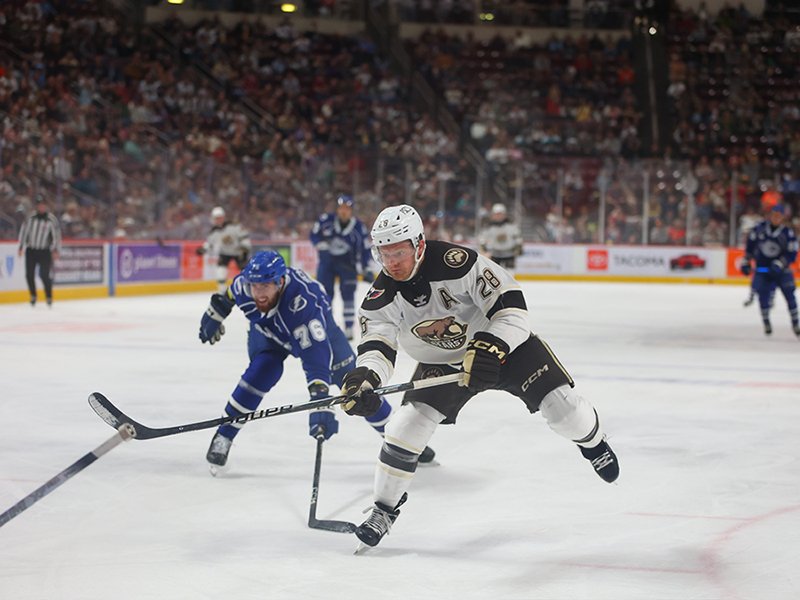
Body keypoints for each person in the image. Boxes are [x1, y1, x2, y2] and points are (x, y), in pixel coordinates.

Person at [339, 204, 619, 548]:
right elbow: (377, 345)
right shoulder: (381, 295)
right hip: (442, 363)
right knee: (403, 429)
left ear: (419, 245)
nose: (392, 262)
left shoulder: (459, 263)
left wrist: (491, 345)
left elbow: (513, 307)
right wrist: (366, 378)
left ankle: (593, 444)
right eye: (384, 253)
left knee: (565, 412)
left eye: (399, 251)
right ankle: (384, 510)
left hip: (504, 347)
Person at [198, 250, 434, 475]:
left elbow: (316, 355)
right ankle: (224, 435)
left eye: (266, 286)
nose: (259, 293)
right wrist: (218, 310)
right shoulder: (245, 285)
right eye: (255, 286)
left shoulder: (303, 302)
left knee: (356, 390)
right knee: (261, 371)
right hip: (271, 334)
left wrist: (320, 400)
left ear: (280, 282)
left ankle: (399, 441)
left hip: (322, 336)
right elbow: (230, 294)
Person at [309, 195, 374, 340]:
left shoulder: (358, 228)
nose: (344, 211)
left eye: (347, 208)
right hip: (327, 265)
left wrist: (365, 267)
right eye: (341, 208)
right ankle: (326, 324)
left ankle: (349, 327)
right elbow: (314, 234)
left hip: (347, 267)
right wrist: (320, 244)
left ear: (351, 211)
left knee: (348, 296)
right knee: (325, 295)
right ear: (337, 209)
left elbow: (364, 249)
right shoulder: (326, 221)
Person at [740, 204, 799, 337]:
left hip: (781, 271)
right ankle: (766, 321)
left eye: (779, 216)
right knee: (763, 297)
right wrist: (746, 260)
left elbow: (792, 253)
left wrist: (780, 263)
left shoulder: (787, 234)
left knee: (790, 294)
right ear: (770, 215)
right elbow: (750, 246)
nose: (776, 218)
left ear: (783, 217)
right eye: (774, 215)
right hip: (763, 269)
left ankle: (795, 323)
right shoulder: (759, 229)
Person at [17, 195, 62, 307]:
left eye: (43, 205)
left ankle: (48, 296)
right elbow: (24, 232)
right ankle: (33, 295)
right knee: (29, 274)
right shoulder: (30, 218)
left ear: (45, 206)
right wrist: (21, 246)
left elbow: (56, 235)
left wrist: (56, 249)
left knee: (44, 275)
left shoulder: (51, 219)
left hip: (44, 251)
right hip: (31, 250)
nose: (41, 207)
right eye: (39, 205)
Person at [196, 206, 252, 294]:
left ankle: (248, 291)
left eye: (220, 218)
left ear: (224, 217)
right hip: (225, 253)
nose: (219, 220)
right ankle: (222, 293)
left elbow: (244, 237)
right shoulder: (214, 232)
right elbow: (209, 243)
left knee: (245, 273)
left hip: (239, 252)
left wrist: (244, 248)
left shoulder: (234, 227)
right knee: (220, 273)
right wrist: (203, 249)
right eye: (216, 218)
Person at [479, 203, 522, 268]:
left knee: (509, 274)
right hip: (494, 255)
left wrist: (518, 246)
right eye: (497, 214)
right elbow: (483, 238)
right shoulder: (488, 227)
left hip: (509, 255)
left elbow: (517, 237)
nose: (499, 216)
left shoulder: (511, 226)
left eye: (500, 214)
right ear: (492, 215)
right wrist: (483, 245)